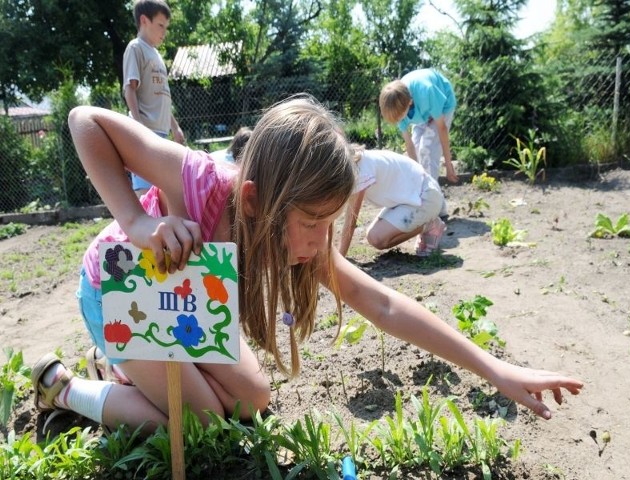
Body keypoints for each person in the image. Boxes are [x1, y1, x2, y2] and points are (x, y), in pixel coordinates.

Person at [31, 96, 582, 436]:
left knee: (251, 400)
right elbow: (86, 121)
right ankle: (67, 388)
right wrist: (137, 222)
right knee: (200, 423)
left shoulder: (294, 231)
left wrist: (494, 369)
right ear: (253, 203)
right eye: (314, 222)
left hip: (189, 306)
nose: (323, 241)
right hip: (119, 291)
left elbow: (384, 302)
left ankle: (137, 375)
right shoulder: (198, 180)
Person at [123, 0, 185, 197]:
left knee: (160, 190)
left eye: (166, 27)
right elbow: (129, 90)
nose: (164, 32)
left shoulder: (157, 55)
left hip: (161, 134)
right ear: (144, 20)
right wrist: (139, 129)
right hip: (145, 133)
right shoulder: (136, 48)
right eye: (160, 25)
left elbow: (163, 97)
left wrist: (175, 127)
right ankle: (141, 226)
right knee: (145, 191)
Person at [339, 146, 447, 257]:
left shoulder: (358, 170)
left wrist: (339, 258)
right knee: (374, 235)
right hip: (412, 197)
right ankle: (425, 222)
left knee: (377, 238)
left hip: (426, 198)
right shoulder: (357, 159)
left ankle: (430, 225)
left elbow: (350, 221)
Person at [379, 68, 458, 218]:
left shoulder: (426, 92)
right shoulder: (397, 107)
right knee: (418, 150)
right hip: (421, 112)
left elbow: (441, 128)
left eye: (401, 118)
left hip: (442, 104)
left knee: (427, 150)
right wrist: (416, 174)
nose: (400, 122)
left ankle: (437, 209)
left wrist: (448, 163)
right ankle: (424, 198)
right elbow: (410, 145)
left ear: (409, 103)